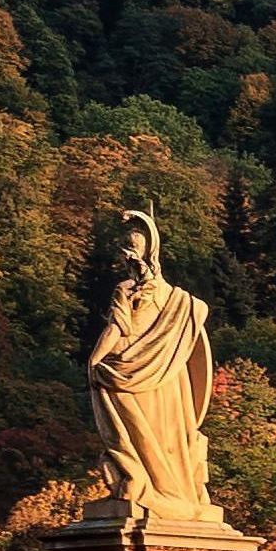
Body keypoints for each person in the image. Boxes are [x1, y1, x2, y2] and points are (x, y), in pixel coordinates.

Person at [85, 208, 223, 533]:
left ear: (129, 255)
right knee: (168, 436)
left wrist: (94, 361)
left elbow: (116, 330)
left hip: (128, 376)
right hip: (168, 377)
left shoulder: (126, 290)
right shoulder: (177, 298)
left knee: (131, 435)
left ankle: (141, 485)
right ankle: (174, 492)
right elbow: (199, 318)